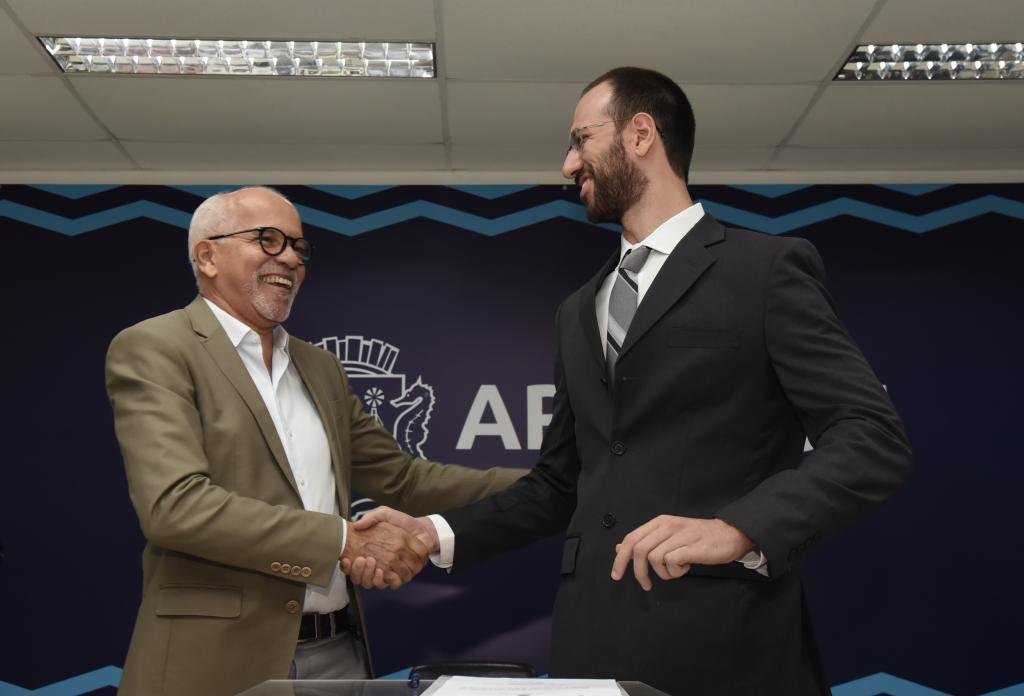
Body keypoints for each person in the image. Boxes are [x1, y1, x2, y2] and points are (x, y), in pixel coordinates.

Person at [350, 67, 913, 696]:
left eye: (581, 140)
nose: (569, 165)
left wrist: (739, 528)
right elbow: (560, 484)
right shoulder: (576, 310)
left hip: (729, 645)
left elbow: (871, 437)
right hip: (591, 643)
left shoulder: (766, 270)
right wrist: (433, 533)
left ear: (640, 134)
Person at [105, 186, 525, 696]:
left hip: (338, 654)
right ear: (208, 256)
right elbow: (176, 507)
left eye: (298, 246)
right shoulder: (156, 347)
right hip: (215, 664)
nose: (289, 258)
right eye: (267, 239)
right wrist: (345, 540)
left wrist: (554, 482)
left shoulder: (319, 366)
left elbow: (404, 480)